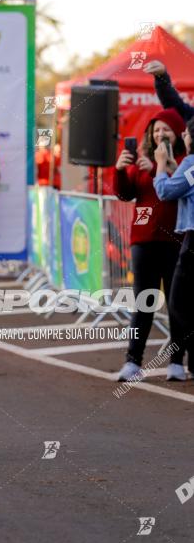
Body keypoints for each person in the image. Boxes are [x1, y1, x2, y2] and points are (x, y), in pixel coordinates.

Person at [113, 108, 186, 381]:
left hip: (175, 239)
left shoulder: (183, 160)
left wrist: (158, 166)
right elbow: (125, 193)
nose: (159, 134)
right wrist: (120, 170)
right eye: (155, 130)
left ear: (177, 132)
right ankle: (132, 361)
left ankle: (177, 361)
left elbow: (175, 187)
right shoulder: (141, 159)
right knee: (143, 302)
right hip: (143, 239)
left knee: (177, 304)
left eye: (165, 129)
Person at [153, 117, 194, 381]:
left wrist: (159, 166)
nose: (182, 134)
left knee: (178, 302)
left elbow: (166, 191)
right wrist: (172, 166)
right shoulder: (188, 165)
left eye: (186, 131)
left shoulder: (191, 163)